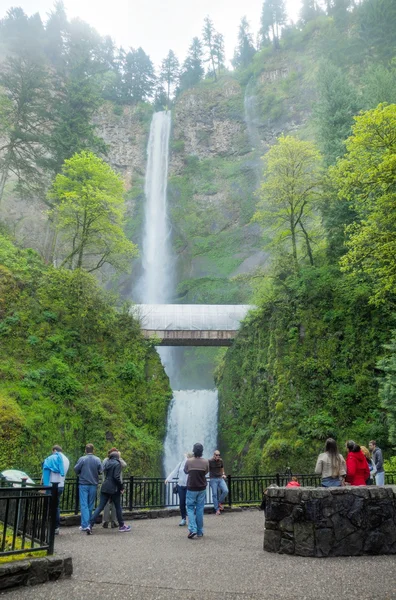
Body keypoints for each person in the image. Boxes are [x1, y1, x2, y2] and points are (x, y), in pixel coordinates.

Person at [88, 450, 131, 534]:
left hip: (105, 486)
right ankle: (122, 526)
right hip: (114, 488)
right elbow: (116, 477)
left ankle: (90, 525)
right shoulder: (117, 464)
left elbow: (101, 472)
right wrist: (121, 487)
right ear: (117, 457)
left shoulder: (106, 463)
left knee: (100, 507)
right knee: (118, 507)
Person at [74, 444, 103, 532]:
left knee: (84, 504)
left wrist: (81, 473)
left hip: (83, 484)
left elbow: (76, 469)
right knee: (90, 505)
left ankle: (85, 524)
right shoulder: (97, 459)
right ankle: (89, 524)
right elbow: (101, 470)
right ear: (93, 450)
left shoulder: (82, 459)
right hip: (93, 484)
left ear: (86, 450)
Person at [42, 445, 70, 534]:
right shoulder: (66, 459)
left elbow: (47, 472)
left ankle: (50, 526)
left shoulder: (51, 458)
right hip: (61, 484)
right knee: (56, 506)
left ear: (54, 450)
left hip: (51, 485)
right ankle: (56, 527)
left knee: (50, 507)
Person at [184, 442, 209, 539]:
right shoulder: (206, 462)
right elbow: (206, 472)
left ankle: (192, 529)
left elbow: (186, 471)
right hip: (202, 488)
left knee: (190, 508)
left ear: (193, 451)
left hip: (191, 488)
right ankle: (200, 531)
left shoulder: (189, 461)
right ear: (202, 451)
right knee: (199, 509)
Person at [165, 452, 193, 526]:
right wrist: (168, 479)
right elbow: (174, 471)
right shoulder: (180, 464)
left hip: (189, 486)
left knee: (189, 503)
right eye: (186, 456)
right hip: (180, 486)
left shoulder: (192, 464)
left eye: (187, 456)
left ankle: (191, 519)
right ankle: (183, 519)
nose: (186, 457)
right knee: (182, 503)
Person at [102, 448, 127, 528]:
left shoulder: (106, 460)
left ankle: (108, 521)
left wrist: (119, 458)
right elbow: (124, 465)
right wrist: (119, 458)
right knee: (113, 505)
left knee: (108, 504)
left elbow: (124, 465)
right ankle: (112, 521)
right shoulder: (110, 461)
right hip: (114, 486)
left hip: (106, 485)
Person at [208, 449, 228, 516]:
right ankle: (217, 509)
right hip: (213, 479)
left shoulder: (221, 460)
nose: (218, 456)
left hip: (220, 478)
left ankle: (219, 502)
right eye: (217, 455)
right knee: (214, 494)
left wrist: (223, 473)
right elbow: (207, 469)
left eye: (219, 455)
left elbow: (222, 467)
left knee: (226, 490)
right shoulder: (210, 461)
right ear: (214, 455)